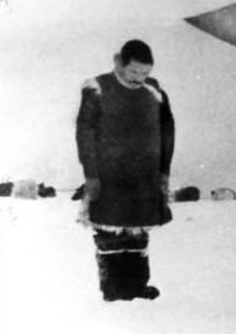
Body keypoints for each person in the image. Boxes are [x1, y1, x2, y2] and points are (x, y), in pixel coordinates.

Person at [76, 39, 175, 301]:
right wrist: (91, 175)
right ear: (119, 62)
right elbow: (84, 133)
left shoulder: (153, 90)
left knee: (138, 233)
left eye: (145, 73)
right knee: (111, 234)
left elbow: (167, 128)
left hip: (144, 175)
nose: (139, 79)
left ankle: (137, 286)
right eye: (133, 72)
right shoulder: (98, 88)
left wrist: (164, 169)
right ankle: (112, 289)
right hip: (109, 175)